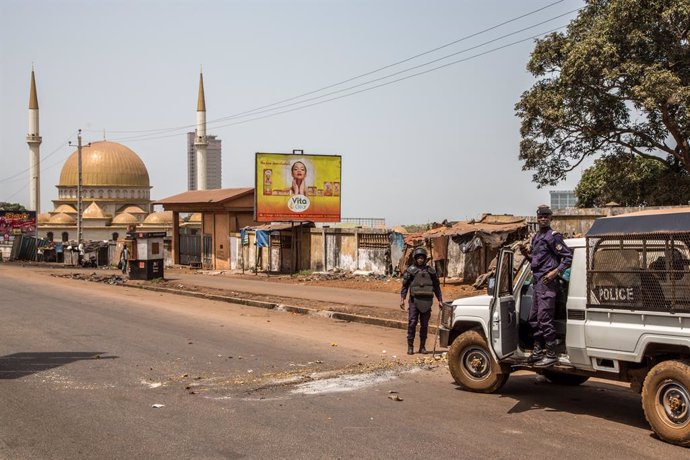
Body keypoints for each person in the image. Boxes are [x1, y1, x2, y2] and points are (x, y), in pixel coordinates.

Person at [519, 205, 572, 367]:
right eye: (540, 216)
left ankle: (551, 353)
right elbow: (536, 263)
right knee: (533, 318)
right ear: (537, 218)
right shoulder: (536, 238)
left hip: (548, 283)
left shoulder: (553, 237)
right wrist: (526, 254)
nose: (543, 219)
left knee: (544, 318)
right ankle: (537, 351)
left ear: (550, 219)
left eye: (546, 216)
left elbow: (568, 257)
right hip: (537, 282)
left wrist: (555, 272)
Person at [400, 247, 443, 355]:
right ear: (415, 259)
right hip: (414, 301)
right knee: (412, 323)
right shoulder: (410, 271)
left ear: (425, 259)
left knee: (424, 325)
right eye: (418, 258)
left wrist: (440, 300)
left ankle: (422, 347)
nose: (420, 260)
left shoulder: (431, 271)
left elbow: (437, 287)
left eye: (422, 258)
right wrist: (402, 299)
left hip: (427, 301)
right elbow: (405, 286)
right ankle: (410, 346)